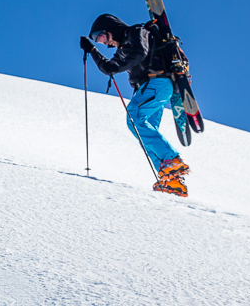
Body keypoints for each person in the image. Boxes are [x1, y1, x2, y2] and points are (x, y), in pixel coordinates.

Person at [80, 13, 189, 195]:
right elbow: (109, 68)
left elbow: (140, 52)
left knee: (134, 118)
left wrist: (104, 55)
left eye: (102, 37)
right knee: (144, 132)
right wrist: (92, 50)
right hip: (150, 89)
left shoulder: (136, 32)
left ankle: (172, 160)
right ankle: (171, 179)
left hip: (157, 82)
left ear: (111, 29)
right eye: (99, 41)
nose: (104, 43)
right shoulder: (122, 50)